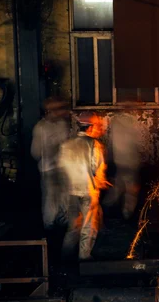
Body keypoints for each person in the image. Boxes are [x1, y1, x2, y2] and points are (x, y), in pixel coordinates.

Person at [59, 112, 109, 261]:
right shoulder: (94, 144)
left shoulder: (66, 144)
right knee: (88, 226)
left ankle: (65, 257)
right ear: (91, 127)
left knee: (73, 226)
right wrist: (101, 181)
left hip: (70, 191)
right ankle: (84, 257)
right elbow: (97, 168)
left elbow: (62, 168)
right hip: (87, 190)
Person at [30, 97, 70, 231]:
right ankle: (49, 228)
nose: (60, 112)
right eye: (57, 110)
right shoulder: (40, 128)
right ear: (48, 111)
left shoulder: (62, 124)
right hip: (48, 169)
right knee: (50, 199)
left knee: (64, 197)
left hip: (62, 167)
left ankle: (62, 223)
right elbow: (35, 152)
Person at [105, 106, 142, 221]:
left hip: (120, 161)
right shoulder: (131, 122)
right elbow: (134, 144)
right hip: (129, 162)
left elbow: (112, 142)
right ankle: (127, 215)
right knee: (130, 191)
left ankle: (106, 208)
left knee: (118, 186)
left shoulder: (115, 121)